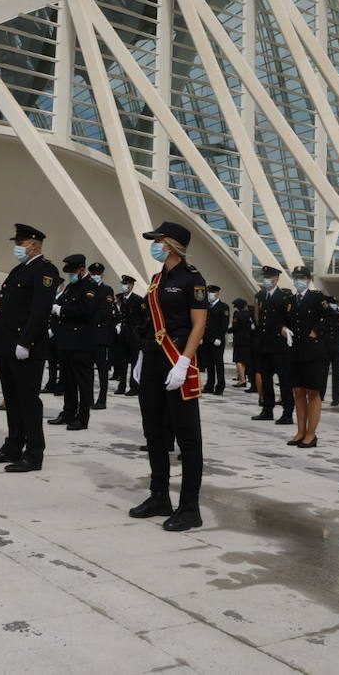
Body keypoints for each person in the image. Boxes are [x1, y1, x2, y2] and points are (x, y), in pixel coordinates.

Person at [128, 220, 208, 532]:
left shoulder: (193, 279)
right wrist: (140, 355)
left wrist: (184, 362)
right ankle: (159, 495)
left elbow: (199, 325)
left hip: (177, 360)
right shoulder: (156, 279)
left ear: (172, 244)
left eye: (158, 240)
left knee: (187, 436)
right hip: (152, 358)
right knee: (154, 431)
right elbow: (150, 321)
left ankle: (190, 507)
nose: (154, 245)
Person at [0, 223, 60, 473]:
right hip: (7, 346)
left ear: (34, 244)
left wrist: (25, 341)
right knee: (12, 400)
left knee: (28, 401)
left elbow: (39, 310)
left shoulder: (45, 271)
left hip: (26, 347)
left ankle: (34, 453)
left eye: (20, 243)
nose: (16, 248)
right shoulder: (20, 270)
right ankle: (13, 445)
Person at [50, 254, 98, 431]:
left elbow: (85, 309)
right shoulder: (72, 286)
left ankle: (82, 417)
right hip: (66, 341)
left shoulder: (90, 287)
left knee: (83, 382)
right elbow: (59, 302)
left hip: (81, 343)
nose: (70, 275)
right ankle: (68, 412)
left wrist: (60, 310)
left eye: (72, 271)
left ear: (82, 269)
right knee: (68, 380)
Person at [285, 266, 329, 448]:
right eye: (296, 278)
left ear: (309, 279)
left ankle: (311, 434)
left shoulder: (318, 298)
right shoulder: (289, 301)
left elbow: (330, 317)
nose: (298, 281)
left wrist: (315, 332)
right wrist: (283, 328)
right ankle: (300, 431)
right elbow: (283, 319)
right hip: (295, 350)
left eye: (302, 277)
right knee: (298, 391)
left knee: (313, 391)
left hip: (314, 351)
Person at [251, 266, 293, 424]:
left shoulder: (284, 297)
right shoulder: (260, 296)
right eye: (265, 277)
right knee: (266, 379)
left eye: (270, 277)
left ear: (277, 278)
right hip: (263, 344)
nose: (267, 279)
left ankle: (287, 413)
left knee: (284, 380)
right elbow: (258, 318)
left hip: (280, 345)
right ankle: (267, 410)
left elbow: (289, 321)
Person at [87, 263, 117, 410]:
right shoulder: (85, 287)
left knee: (102, 369)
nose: (95, 275)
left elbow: (104, 312)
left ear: (102, 274)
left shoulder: (107, 290)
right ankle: (89, 398)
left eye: (98, 273)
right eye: (93, 273)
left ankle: (102, 399)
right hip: (86, 334)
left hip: (100, 334)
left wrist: (87, 314)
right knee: (87, 369)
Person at [113, 276, 144, 396]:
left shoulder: (138, 300)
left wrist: (139, 332)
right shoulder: (121, 298)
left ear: (132, 285)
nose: (124, 285)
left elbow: (144, 318)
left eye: (126, 284)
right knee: (123, 362)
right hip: (123, 335)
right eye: (123, 283)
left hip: (134, 336)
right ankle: (121, 386)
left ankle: (134, 386)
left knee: (135, 362)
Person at [199, 285, 230, 395]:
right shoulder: (207, 306)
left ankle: (220, 386)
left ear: (217, 293)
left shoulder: (223, 307)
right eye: (209, 292)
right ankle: (209, 385)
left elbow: (224, 324)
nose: (210, 294)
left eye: (212, 292)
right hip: (207, 339)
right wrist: (201, 337)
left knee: (218, 363)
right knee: (209, 364)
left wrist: (219, 337)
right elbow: (203, 323)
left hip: (217, 340)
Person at [230, 297, 253, 388]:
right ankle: (242, 379)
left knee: (238, 360)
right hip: (248, 339)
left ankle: (242, 380)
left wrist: (227, 330)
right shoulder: (249, 314)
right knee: (244, 360)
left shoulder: (237, 314)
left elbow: (235, 327)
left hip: (239, 339)